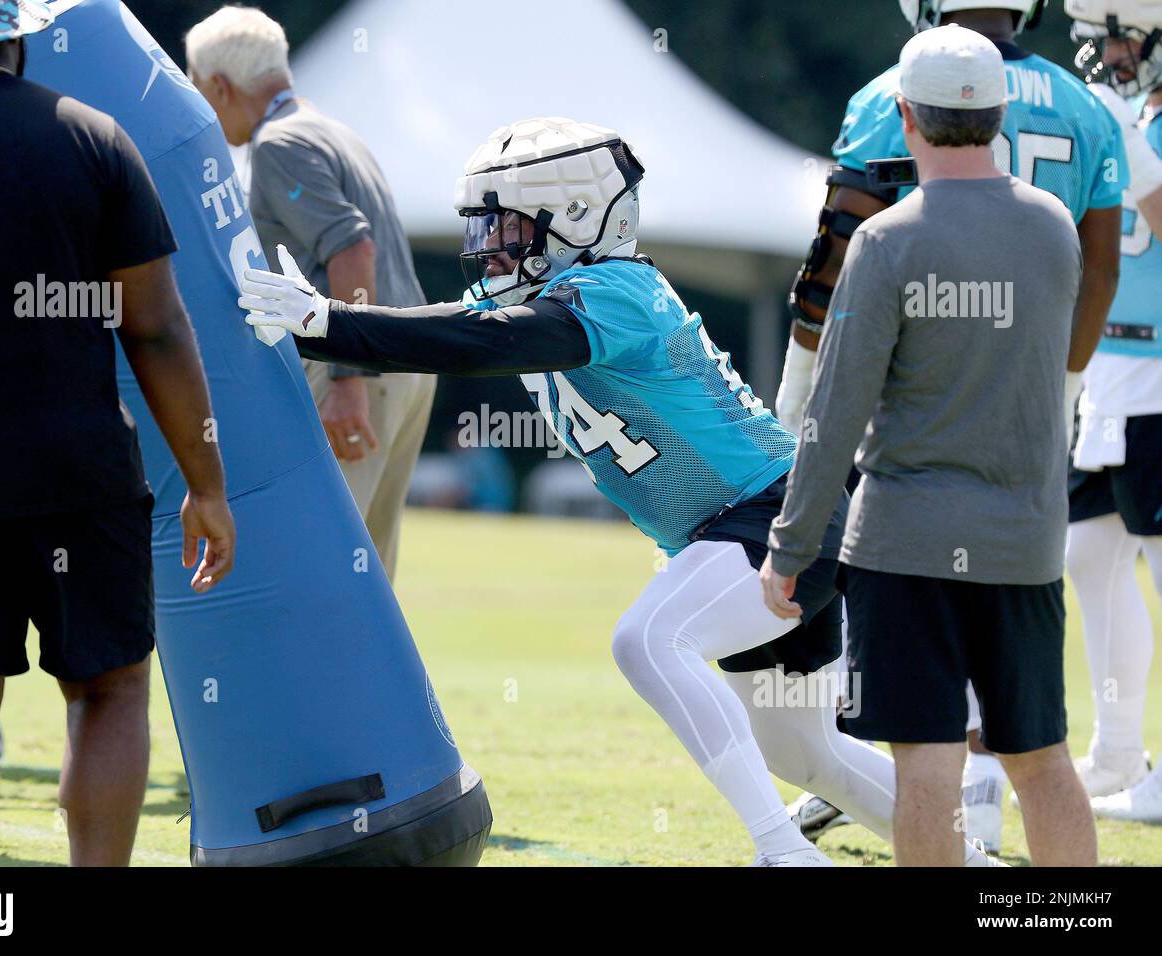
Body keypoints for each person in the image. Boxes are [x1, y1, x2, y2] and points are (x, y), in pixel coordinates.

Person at [239, 116, 1001, 867]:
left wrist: (331, 323)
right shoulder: (553, 293)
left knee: (648, 640)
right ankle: (971, 868)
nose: (491, 245)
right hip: (747, 520)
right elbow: (443, 331)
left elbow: (485, 343)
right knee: (804, 752)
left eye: (509, 227)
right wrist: (326, 326)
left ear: (575, 219)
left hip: (776, 510)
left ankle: (783, 853)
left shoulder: (617, 289)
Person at [0, 0, 236, 866]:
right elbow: (157, 328)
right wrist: (207, 484)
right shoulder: (93, 137)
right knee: (107, 692)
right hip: (79, 474)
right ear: (18, 35)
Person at [778, 0, 1134, 853]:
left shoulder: (889, 243)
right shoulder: (1053, 226)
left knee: (928, 766)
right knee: (1041, 758)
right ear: (999, 112)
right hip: (1023, 537)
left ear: (905, 114)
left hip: (906, 540)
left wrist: (790, 548)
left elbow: (836, 411)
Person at [185, 5, 433, 580]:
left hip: (365, 369)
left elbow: (354, 250)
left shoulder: (279, 144)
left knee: (329, 564)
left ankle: (334, 674)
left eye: (199, 88)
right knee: (371, 566)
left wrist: (348, 380)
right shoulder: (333, 129)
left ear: (220, 86)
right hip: (410, 361)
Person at [1063, 0, 1162, 820]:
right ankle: (1120, 753)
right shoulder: (1128, 116)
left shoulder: (1139, 129)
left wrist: (1133, 152)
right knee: (1089, 557)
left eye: (1123, 37)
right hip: (1113, 376)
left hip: (1161, 377)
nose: (1113, 56)